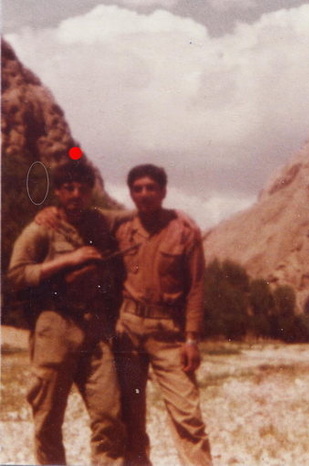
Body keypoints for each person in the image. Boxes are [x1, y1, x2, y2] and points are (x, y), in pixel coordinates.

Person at [7, 161, 126, 465]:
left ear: (90, 192)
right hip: (55, 326)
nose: (76, 194)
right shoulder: (41, 229)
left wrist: (174, 214)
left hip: (95, 328)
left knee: (109, 414)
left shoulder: (98, 222)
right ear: (58, 192)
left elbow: (133, 216)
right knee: (48, 417)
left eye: (83, 189)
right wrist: (68, 260)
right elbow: (16, 275)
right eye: (69, 188)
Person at [114, 164, 212, 466]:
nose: (144, 194)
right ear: (131, 194)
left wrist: (191, 339)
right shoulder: (121, 229)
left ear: (163, 192)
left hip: (169, 331)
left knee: (187, 416)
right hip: (128, 329)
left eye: (151, 188)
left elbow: (196, 288)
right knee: (129, 413)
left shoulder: (184, 231)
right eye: (138, 189)